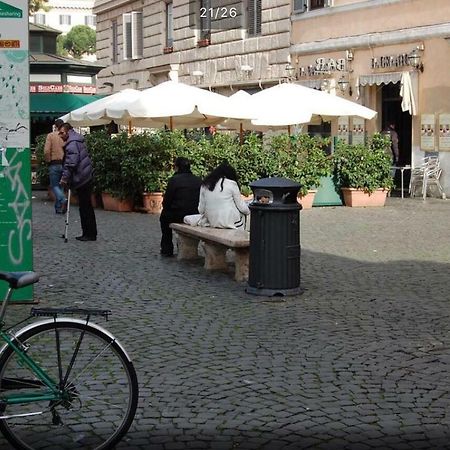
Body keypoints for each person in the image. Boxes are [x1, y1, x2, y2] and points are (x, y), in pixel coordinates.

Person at [59, 123, 98, 242]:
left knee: (85, 207)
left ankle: (89, 234)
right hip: (85, 175)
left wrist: (64, 178)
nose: (60, 135)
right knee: (87, 206)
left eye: (62, 132)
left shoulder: (72, 144)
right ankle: (90, 232)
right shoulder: (76, 140)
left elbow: (71, 163)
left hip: (82, 177)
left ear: (68, 131)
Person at [160, 157, 202, 257]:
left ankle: (167, 249)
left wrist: (166, 209)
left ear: (177, 167)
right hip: (195, 214)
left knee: (164, 218)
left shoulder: (174, 180)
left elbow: (167, 201)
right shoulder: (198, 180)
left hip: (177, 214)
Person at [198, 161, 250, 229]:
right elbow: (242, 207)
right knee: (247, 215)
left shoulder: (205, 185)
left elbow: (201, 210)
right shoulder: (231, 184)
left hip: (212, 223)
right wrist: (249, 211)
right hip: (231, 224)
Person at [44, 118, 67, 214]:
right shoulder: (66, 136)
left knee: (54, 186)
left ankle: (62, 199)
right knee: (61, 186)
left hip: (54, 163)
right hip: (64, 163)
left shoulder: (51, 136)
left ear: (55, 126)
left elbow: (46, 151)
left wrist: (48, 160)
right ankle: (58, 208)